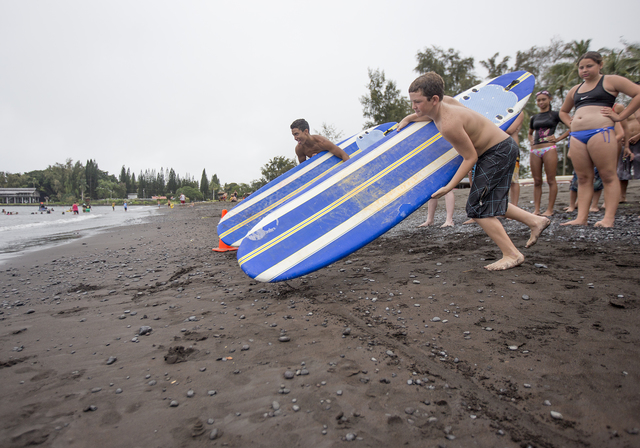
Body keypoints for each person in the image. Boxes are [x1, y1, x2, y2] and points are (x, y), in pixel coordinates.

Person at [398, 72, 550, 271]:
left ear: (434, 99)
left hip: (497, 152)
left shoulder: (448, 124)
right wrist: (409, 118)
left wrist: (449, 186)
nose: (413, 106)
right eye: (412, 102)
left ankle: (512, 254)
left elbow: (470, 158)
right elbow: (427, 114)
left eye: (417, 102)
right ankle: (536, 221)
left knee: (476, 208)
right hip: (500, 148)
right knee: (491, 201)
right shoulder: (448, 102)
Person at [559, 51, 640, 227]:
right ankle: (581, 218)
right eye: (581, 67)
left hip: (601, 132)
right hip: (578, 136)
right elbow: (563, 111)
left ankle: (608, 218)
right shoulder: (576, 89)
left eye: (589, 66)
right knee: (583, 178)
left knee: (608, 175)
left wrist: (620, 116)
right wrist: (570, 123)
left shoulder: (610, 81)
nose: (584, 70)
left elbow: (638, 93)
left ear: (600, 65)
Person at [528, 91, 570, 215]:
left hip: (549, 148)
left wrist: (558, 139)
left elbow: (572, 126)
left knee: (551, 179)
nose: (541, 102)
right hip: (535, 149)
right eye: (539, 100)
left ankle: (549, 209)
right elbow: (530, 133)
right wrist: (531, 141)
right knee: (537, 181)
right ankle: (536, 209)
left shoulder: (555, 115)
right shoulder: (534, 118)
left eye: (543, 99)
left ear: (549, 99)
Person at [617, 108, 640, 202]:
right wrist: (623, 136)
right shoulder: (627, 109)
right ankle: (622, 196)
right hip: (626, 143)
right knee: (623, 168)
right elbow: (621, 124)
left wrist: (638, 136)